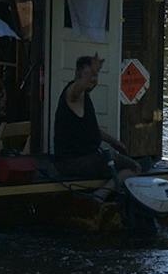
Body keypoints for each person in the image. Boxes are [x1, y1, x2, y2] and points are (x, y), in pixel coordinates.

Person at [50, 54, 136, 182]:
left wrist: (116, 143)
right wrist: (92, 72)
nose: (93, 79)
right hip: (71, 163)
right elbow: (80, 86)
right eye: (89, 75)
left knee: (127, 163)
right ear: (78, 74)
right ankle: (100, 195)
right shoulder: (72, 94)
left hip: (86, 158)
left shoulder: (85, 97)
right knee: (133, 167)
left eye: (95, 76)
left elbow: (93, 130)